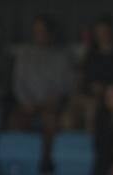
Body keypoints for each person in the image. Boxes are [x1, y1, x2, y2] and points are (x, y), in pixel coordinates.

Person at [10, 16, 73, 144]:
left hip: (52, 106)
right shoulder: (24, 54)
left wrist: (53, 100)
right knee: (15, 121)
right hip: (27, 105)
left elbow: (66, 84)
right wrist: (27, 103)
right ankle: (23, 161)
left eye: (43, 31)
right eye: (37, 31)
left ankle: (46, 161)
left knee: (51, 122)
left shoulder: (62, 56)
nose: (40, 35)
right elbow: (18, 83)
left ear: (51, 33)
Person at [74, 16, 113, 131]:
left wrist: (105, 88)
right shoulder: (91, 55)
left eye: (105, 31)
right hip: (88, 95)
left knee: (91, 109)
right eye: (99, 32)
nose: (103, 35)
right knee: (68, 116)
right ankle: (68, 147)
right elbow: (84, 79)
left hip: (110, 97)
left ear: (111, 32)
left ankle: (90, 145)